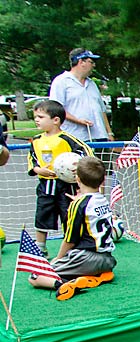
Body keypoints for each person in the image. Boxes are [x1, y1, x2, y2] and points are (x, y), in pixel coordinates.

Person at [28, 156, 117, 300]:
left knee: (35, 276)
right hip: (108, 260)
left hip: (85, 258)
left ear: (77, 180)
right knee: (71, 265)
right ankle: (95, 276)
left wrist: (58, 258)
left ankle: (64, 284)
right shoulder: (102, 199)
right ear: (102, 180)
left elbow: (70, 239)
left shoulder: (79, 204)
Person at [27, 99, 93, 255]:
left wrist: (77, 169)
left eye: (41, 117)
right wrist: (37, 170)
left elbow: (87, 153)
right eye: (35, 116)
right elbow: (32, 159)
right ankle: (40, 247)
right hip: (45, 186)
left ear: (56, 120)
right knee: (42, 215)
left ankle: (73, 247)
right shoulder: (36, 140)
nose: (36, 120)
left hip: (65, 186)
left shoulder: (67, 140)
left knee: (68, 216)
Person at [49, 49, 114, 142]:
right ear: (81, 62)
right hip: (74, 137)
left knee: (99, 157)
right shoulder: (61, 81)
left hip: (99, 137)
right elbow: (57, 109)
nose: (94, 65)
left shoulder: (92, 84)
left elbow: (102, 110)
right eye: (91, 62)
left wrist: (109, 133)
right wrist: (78, 120)